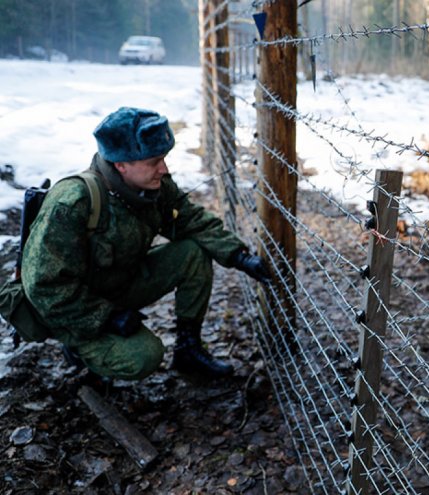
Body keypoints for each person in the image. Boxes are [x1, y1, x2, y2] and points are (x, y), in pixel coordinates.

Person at [21, 107, 269, 382]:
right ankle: (81, 351)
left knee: (193, 252)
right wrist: (106, 317)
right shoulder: (72, 203)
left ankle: (189, 349)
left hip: (120, 283)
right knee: (143, 357)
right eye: (154, 161)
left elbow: (188, 219)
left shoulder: (152, 185)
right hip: (75, 307)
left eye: (163, 159)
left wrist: (239, 256)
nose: (163, 169)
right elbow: (43, 287)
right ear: (121, 164)